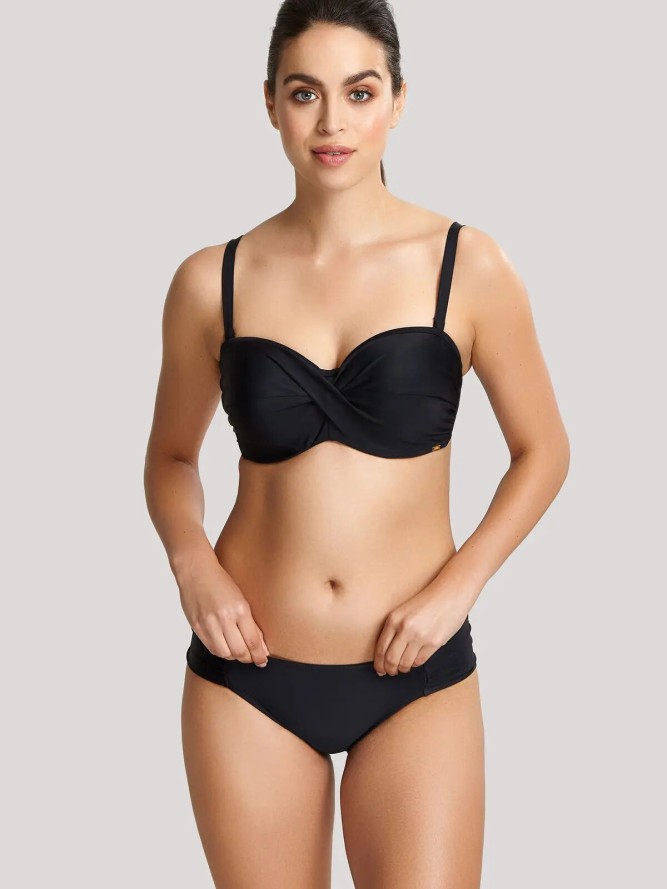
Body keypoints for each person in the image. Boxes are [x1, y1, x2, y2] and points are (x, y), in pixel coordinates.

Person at [144, 1, 570, 886]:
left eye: (360, 92)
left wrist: (456, 588)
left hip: (416, 675)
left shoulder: (467, 264)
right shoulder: (211, 281)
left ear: (398, 101)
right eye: (305, 93)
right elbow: (171, 457)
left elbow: (543, 449)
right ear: (270, 103)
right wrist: (192, 566)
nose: (332, 122)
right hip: (246, 673)